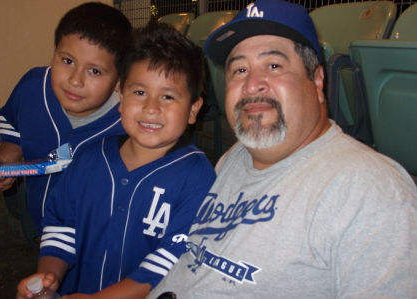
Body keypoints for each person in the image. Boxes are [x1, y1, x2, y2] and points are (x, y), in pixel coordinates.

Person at [148, 0, 417, 298]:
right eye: (238, 69)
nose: (251, 85)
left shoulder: (372, 193)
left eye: (274, 65)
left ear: (316, 80)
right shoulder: (235, 157)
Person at [16, 21, 216, 299]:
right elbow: (61, 226)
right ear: (120, 96)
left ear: (193, 109)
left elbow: (171, 260)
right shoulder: (88, 158)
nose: (151, 108)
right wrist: (49, 276)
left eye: (168, 96)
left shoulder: (198, 176)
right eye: (140, 92)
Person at [0, 2, 132, 235]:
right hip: (40, 232)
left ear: (119, 81)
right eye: (68, 61)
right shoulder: (32, 88)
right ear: (53, 55)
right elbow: (13, 120)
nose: (75, 80)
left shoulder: (129, 125)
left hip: (98, 244)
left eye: (95, 71)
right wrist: (7, 159)